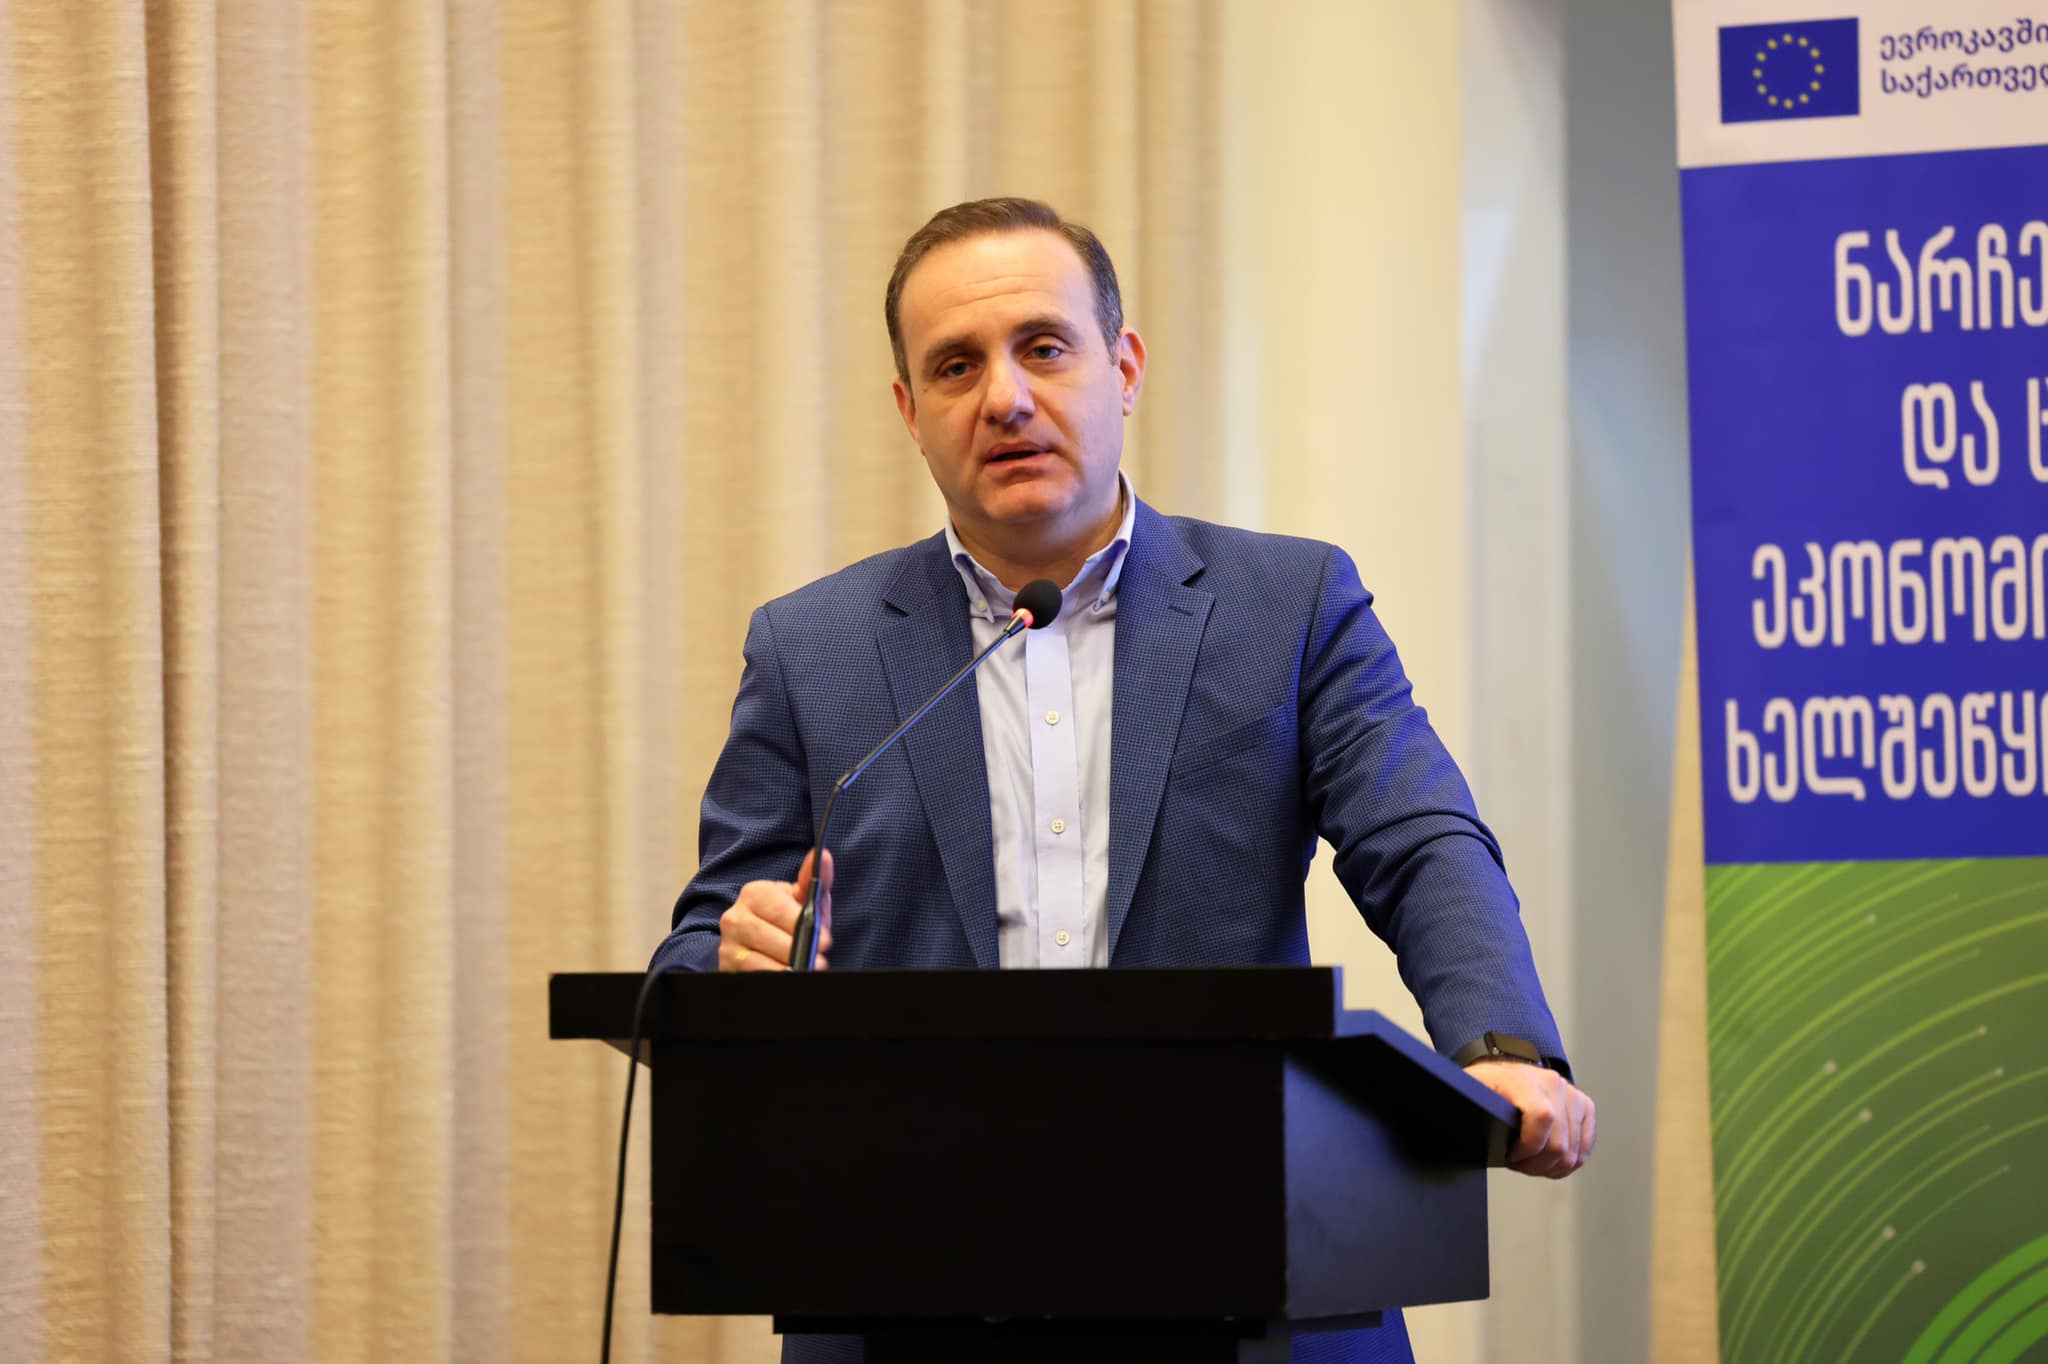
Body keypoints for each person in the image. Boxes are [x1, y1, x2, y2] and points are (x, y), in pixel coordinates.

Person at [651, 197, 1594, 1364]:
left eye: (1043, 346)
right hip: (910, 1284)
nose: (1004, 397)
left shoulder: (1286, 605)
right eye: (955, 365)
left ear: (1124, 367)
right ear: (908, 411)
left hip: (1249, 1261)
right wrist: (731, 960)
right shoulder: (812, 647)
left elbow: (1418, 837)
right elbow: (708, 934)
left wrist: (1503, 1044)